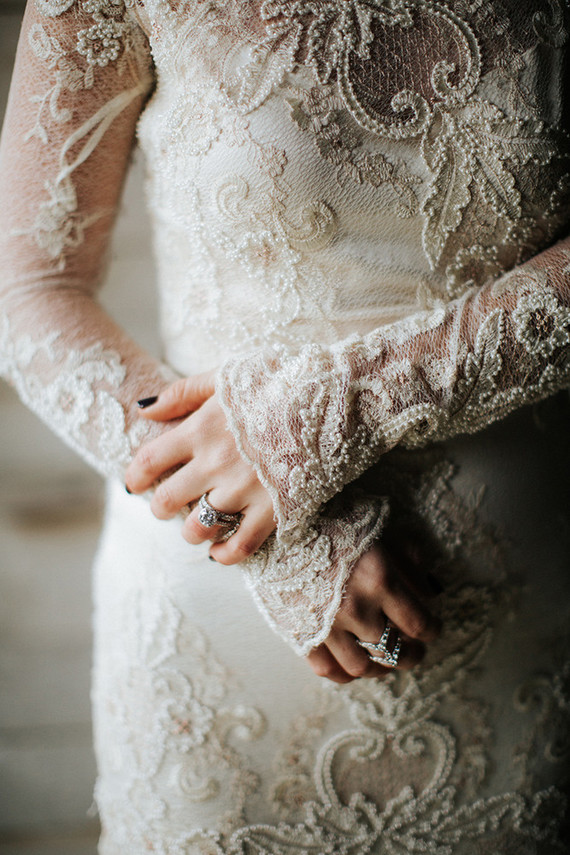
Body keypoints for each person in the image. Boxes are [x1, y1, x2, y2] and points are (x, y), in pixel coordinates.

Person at [1, 0, 569, 851]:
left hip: (530, 630)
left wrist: (334, 407)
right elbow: (30, 294)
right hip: (221, 632)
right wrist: (290, 545)